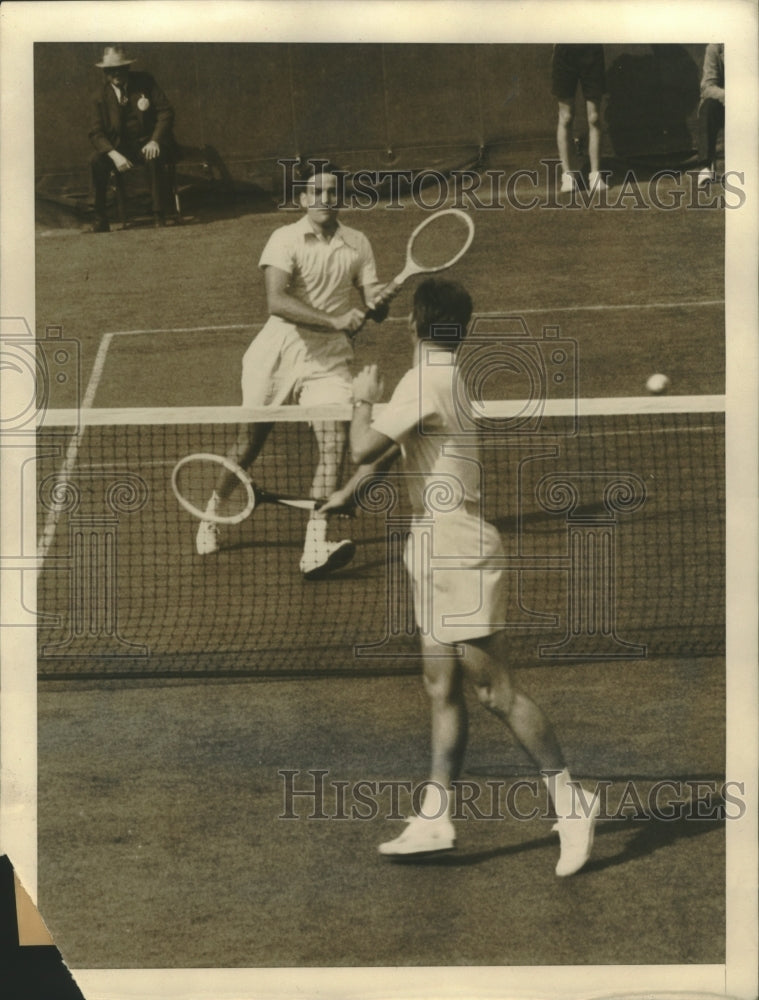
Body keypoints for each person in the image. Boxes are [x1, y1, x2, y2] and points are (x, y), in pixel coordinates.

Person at [325, 278, 599, 876]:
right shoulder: (445, 377)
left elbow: (362, 444)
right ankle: (435, 818)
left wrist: (360, 399)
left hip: (457, 549)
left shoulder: (421, 379)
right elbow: (406, 450)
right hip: (433, 543)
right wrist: (355, 492)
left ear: (416, 324)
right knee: (439, 685)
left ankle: (571, 802)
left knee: (493, 690)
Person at [195, 161, 394, 579]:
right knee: (251, 441)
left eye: (331, 191)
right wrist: (336, 320)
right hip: (277, 353)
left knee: (334, 443)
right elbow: (276, 301)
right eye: (315, 192)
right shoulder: (283, 238)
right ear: (303, 199)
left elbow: (372, 294)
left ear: (340, 197)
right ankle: (212, 513)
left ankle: (315, 546)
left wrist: (379, 301)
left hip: (329, 362)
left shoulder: (358, 243)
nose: (324, 198)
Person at [89, 45, 175, 232]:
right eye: (111, 70)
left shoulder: (145, 82)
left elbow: (166, 112)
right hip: (119, 149)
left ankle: (159, 215)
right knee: (97, 161)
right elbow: (96, 133)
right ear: (105, 72)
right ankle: (100, 219)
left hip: (147, 142)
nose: (116, 73)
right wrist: (114, 154)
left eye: (120, 68)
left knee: (154, 156)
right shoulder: (99, 96)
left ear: (128, 68)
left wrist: (155, 140)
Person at [551, 44, 608, 194]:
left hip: (591, 49)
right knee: (566, 116)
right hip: (564, 52)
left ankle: (595, 175)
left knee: (594, 117)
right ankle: (567, 176)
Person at [696, 44, 724, 188]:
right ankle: (705, 167)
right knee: (708, 107)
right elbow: (707, 87)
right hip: (725, 102)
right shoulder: (715, 48)